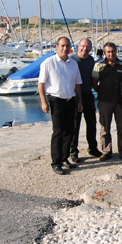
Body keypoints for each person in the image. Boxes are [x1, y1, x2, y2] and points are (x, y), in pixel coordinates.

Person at [38, 37, 83, 175]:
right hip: (56, 101)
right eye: (62, 46)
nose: (64, 48)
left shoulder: (73, 64)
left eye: (67, 46)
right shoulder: (49, 63)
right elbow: (41, 83)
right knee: (58, 132)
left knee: (70, 131)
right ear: (57, 46)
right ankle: (56, 162)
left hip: (70, 100)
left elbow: (77, 84)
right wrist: (43, 101)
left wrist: (80, 101)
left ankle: (64, 158)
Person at [92, 42, 122, 161]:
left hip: (120, 102)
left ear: (116, 51)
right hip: (104, 101)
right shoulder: (99, 65)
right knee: (104, 127)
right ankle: (106, 151)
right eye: (108, 52)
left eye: (112, 51)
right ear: (104, 53)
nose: (111, 54)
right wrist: (101, 92)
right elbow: (94, 83)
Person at [69, 38, 101, 163]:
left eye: (88, 47)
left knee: (92, 123)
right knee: (75, 125)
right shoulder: (72, 60)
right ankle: (73, 152)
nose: (85, 49)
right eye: (83, 46)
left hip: (88, 95)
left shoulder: (91, 60)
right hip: (75, 96)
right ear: (78, 46)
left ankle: (92, 148)